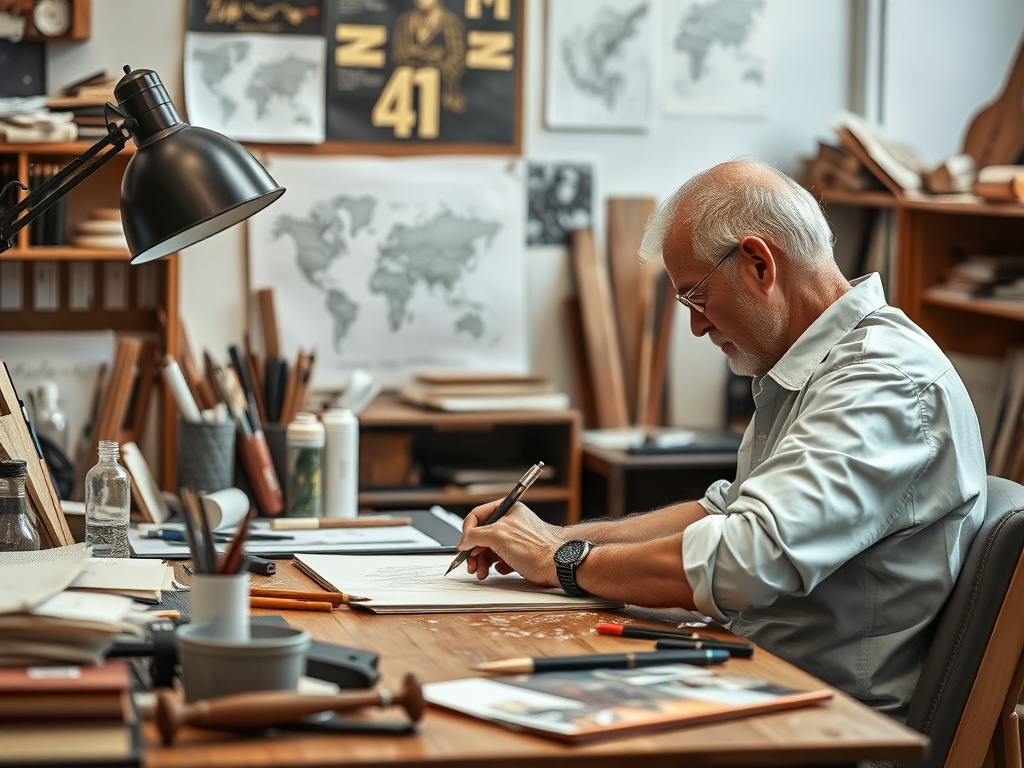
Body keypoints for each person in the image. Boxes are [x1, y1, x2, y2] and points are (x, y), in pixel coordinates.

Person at [455, 159, 988, 723]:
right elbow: (723, 512)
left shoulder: (882, 384)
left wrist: (563, 561)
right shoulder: (814, 368)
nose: (696, 326)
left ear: (759, 263)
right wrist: (557, 539)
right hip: (754, 678)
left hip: (822, 724)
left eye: (696, 298)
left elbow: (741, 558)